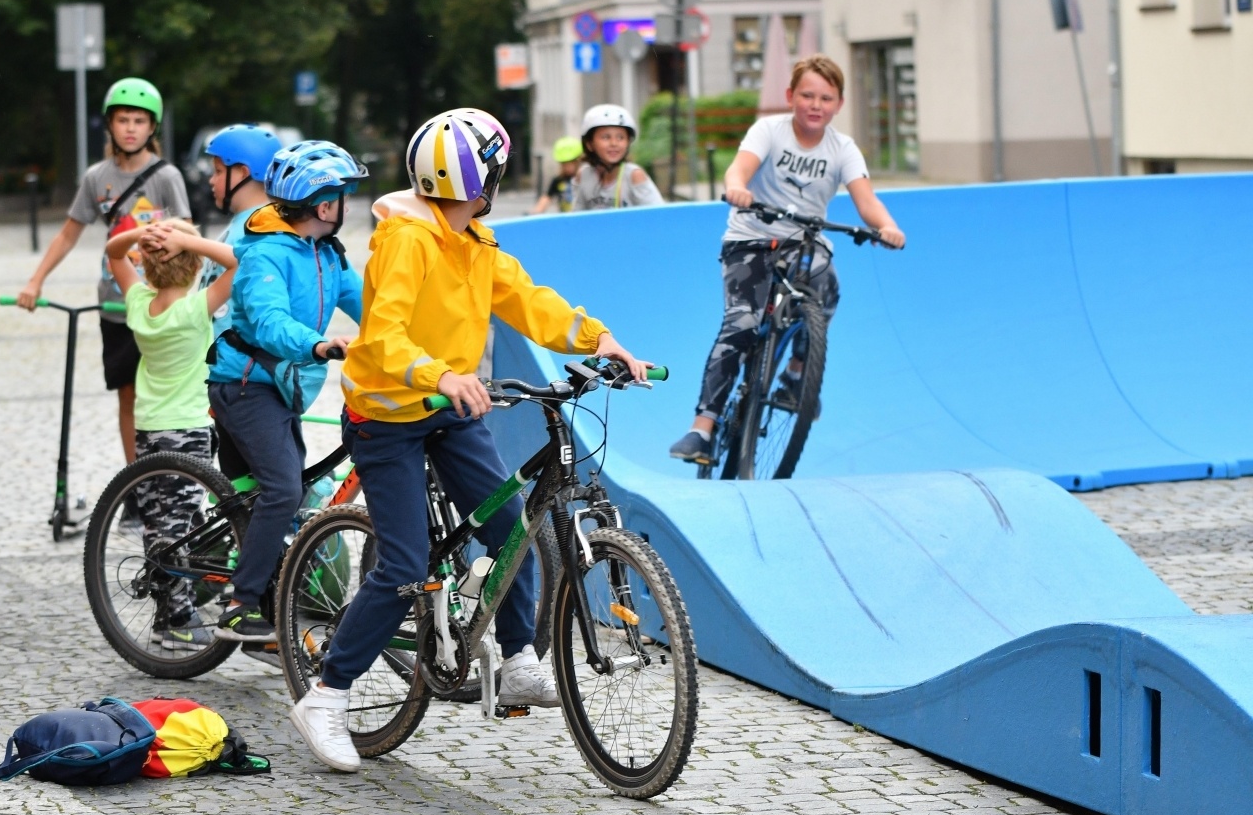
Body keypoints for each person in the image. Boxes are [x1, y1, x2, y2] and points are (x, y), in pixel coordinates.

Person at [287, 107, 647, 774]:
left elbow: (530, 300)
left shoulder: (473, 240)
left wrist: (602, 340)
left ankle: (516, 659)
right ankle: (327, 695)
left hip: (448, 408)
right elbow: (384, 334)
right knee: (403, 563)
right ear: (479, 174)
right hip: (389, 414)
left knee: (511, 525)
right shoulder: (406, 242)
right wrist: (441, 373)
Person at [669, 54, 906, 464]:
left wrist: (888, 228)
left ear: (839, 104)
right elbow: (738, 170)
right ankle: (702, 429)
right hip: (752, 237)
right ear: (790, 96)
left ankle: (797, 376)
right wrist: (737, 187)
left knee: (827, 289)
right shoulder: (769, 131)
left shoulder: (843, 148)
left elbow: (866, 201)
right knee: (742, 322)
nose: (816, 105)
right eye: (808, 95)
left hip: (804, 242)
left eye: (826, 98)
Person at [203, 140, 367, 645]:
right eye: (343, 196)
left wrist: (418, 342)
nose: (346, 205)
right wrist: (319, 344)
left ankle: (268, 583)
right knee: (283, 489)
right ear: (323, 206)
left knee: (270, 493)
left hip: (280, 387)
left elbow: (373, 306)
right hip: (245, 385)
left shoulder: (326, 254)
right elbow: (271, 323)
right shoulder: (265, 256)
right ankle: (240, 604)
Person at [14, 77, 190, 465]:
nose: (130, 128)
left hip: (160, 303)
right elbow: (67, 234)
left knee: (163, 393)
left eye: (139, 121)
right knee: (127, 394)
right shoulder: (97, 177)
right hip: (116, 301)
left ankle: (169, 472)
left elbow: (187, 234)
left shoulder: (166, 177)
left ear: (152, 127)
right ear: (110, 125)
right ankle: (135, 481)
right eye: (123, 119)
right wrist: (35, 280)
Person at [102, 217, 240, 644]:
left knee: (161, 522)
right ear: (195, 265)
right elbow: (240, 262)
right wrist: (187, 239)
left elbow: (112, 252)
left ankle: (176, 609)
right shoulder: (194, 309)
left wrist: (143, 236)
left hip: (148, 429)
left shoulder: (141, 304)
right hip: (189, 430)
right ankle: (176, 620)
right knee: (176, 526)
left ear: (146, 265)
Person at [573, 104, 663, 211]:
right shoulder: (584, 175)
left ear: (628, 142)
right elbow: (576, 218)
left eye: (620, 137)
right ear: (589, 144)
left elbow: (659, 216)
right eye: (606, 137)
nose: (614, 143)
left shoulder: (634, 176)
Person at [530, 136, 584, 214]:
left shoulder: (585, 179)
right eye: (563, 164)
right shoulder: (558, 180)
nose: (567, 167)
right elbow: (547, 197)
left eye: (571, 162)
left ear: (579, 161)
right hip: (565, 219)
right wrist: (535, 211)